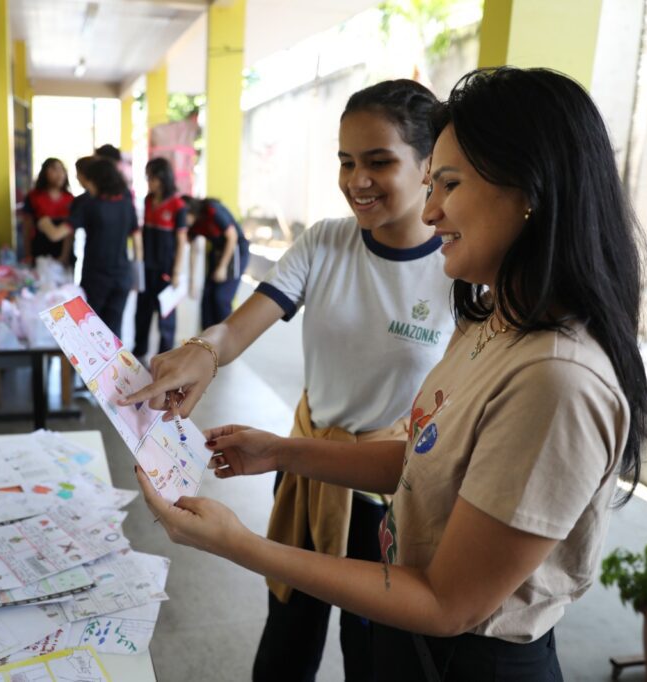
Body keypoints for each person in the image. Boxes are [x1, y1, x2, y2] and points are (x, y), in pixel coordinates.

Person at [135, 67, 647, 680]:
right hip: (412, 620)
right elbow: (423, 456)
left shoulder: (558, 381)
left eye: (448, 183)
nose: (433, 210)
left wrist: (236, 543)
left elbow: (447, 602)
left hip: (466, 659)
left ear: (530, 192)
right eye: (345, 161)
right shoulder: (489, 319)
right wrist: (278, 447)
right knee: (289, 644)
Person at [122, 80, 455, 681]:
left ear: (430, 164)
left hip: (394, 497)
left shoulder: (458, 269)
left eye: (379, 161)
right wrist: (201, 351)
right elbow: (236, 328)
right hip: (305, 467)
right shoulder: (327, 241)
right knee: (286, 640)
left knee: (373, 653)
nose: (358, 180)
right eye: (346, 162)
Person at [42, 157, 137, 337]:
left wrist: (44, 222)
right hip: (122, 276)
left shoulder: (90, 204)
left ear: (97, 181)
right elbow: (137, 237)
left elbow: (57, 234)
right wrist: (137, 272)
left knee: (91, 330)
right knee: (114, 331)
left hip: (97, 278)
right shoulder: (126, 202)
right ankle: (117, 365)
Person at [133, 157, 189, 358]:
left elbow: (181, 241)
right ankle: (140, 350)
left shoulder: (178, 205)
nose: (149, 182)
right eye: (148, 177)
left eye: (153, 178)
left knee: (166, 315)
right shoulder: (148, 200)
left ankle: (165, 356)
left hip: (166, 268)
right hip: (147, 266)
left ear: (163, 178)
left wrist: (176, 272)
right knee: (142, 311)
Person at [184, 195, 251, 328]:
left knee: (221, 298)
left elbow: (232, 237)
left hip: (235, 250)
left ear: (190, 211)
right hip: (217, 253)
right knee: (207, 298)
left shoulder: (211, 210)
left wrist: (222, 267)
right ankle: (206, 342)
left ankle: (228, 339)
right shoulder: (193, 225)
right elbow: (193, 250)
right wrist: (192, 281)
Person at [21, 157, 74, 267]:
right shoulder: (33, 197)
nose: (59, 174)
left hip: (64, 255)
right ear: (44, 173)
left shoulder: (71, 199)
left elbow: (71, 231)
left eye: (62, 169)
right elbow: (27, 228)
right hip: (40, 252)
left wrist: (64, 256)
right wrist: (28, 254)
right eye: (54, 169)